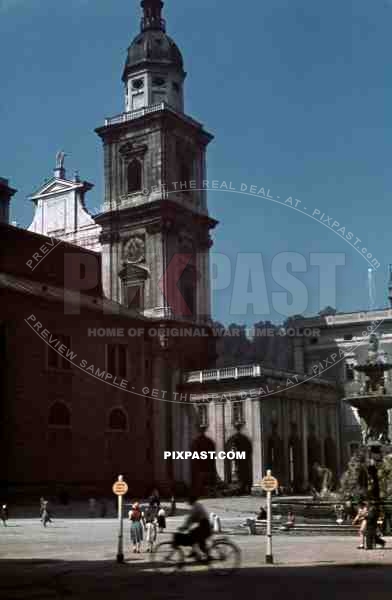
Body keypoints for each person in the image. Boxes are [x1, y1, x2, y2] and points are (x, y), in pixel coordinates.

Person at [174, 496, 212, 560]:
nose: (188, 503)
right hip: (205, 525)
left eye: (188, 501)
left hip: (204, 525)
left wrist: (183, 527)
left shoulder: (195, 507)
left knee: (193, 534)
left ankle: (196, 552)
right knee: (198, 538)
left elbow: (190, 518)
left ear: (191, 501)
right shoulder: (197, 505)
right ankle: (200, 553)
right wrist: (186, 526)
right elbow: (193, 519)